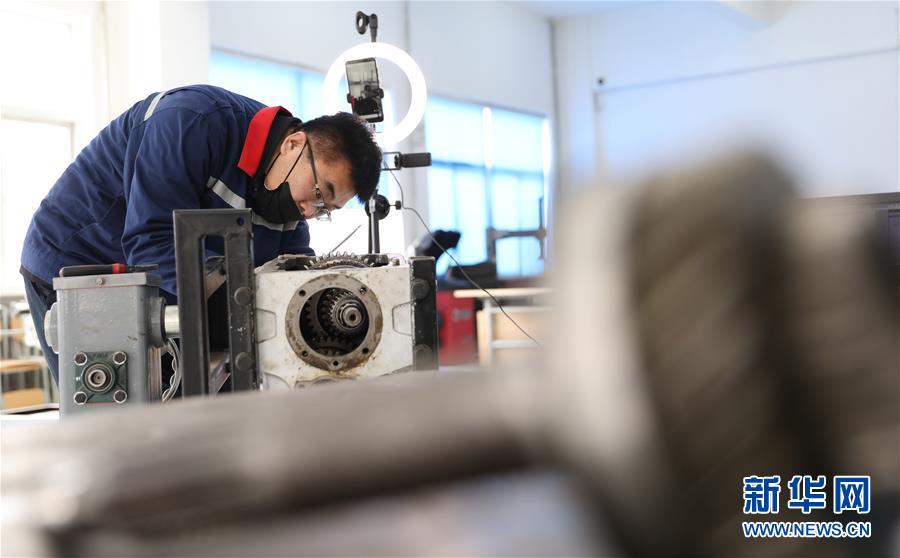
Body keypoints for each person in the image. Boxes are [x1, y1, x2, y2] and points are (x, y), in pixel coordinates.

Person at [20, 84, 383, 383]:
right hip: (75, 262)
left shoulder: (288, 205)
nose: (309, 211)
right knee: (110, 412)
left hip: (157, 291)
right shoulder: (191, 121)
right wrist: (239, 305)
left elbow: (289, 289)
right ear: (293, 144)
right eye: (320, 193)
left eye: (325, 210)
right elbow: (151, 244)